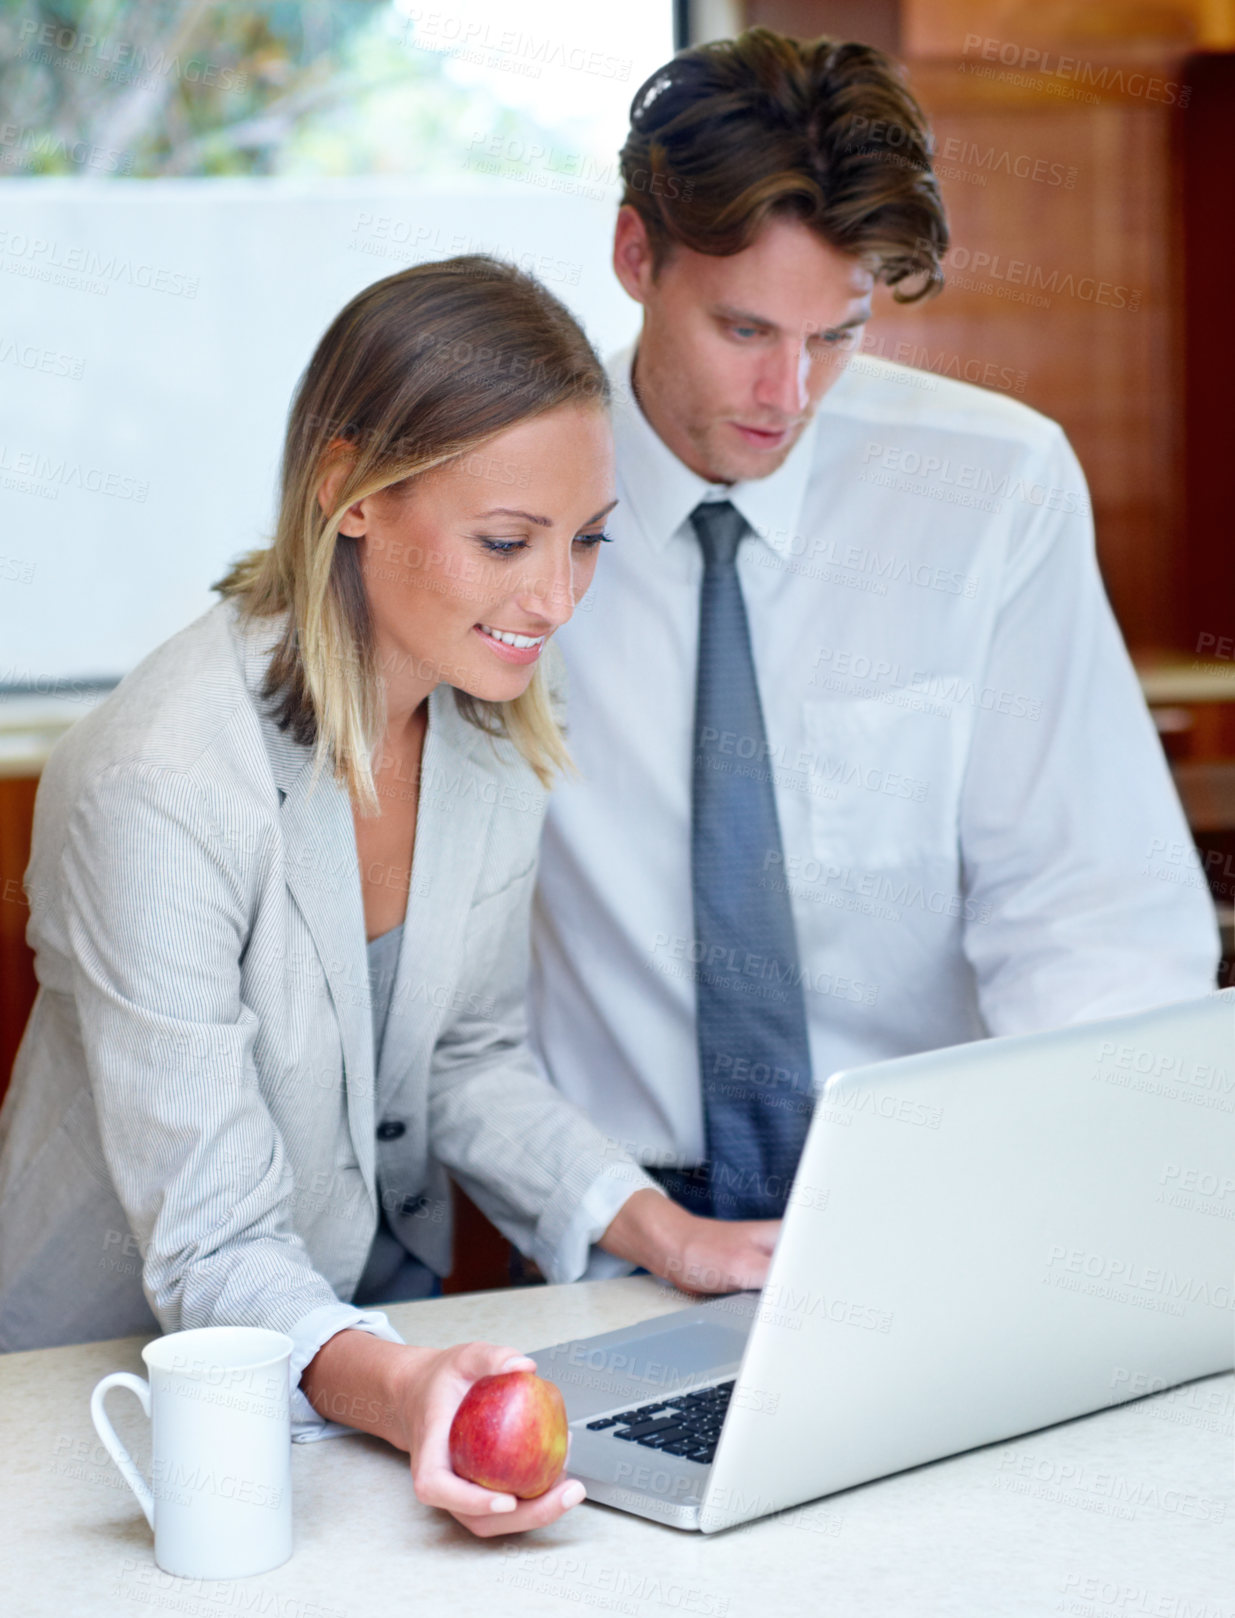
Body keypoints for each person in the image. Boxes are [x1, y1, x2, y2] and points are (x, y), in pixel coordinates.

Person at [0, 257, 776, 1537]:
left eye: (585, 540)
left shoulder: (492, 717)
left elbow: (466, 1059)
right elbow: (207, 1242)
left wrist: (665, 1229)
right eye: (504, 542)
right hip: (103, 1406)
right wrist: (405, 1386)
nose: (556, 599)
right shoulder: (158, 781)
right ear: (345, 492)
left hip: (355, 1359)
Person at [528, 31, 1220, 1250]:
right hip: (622, 1218)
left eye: (836, 335)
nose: (786, 395)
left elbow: (1083, 904)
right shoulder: (509, 498)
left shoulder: (989, 484)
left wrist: (1066, 1209)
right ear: (636, 255)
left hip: (941, 1190)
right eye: (743, 331)